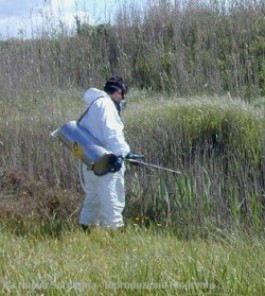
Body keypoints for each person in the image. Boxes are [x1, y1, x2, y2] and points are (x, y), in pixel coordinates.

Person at [78, 76, 143, 230]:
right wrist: (124, 153)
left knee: (93, 199)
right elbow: (112, 133)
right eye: (122, 95)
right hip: (106, 161)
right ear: (118, 93)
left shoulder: (95, 104)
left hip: (90, 160)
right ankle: (114, 235)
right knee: (113, 199)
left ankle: (85, 231)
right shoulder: (106, 105)